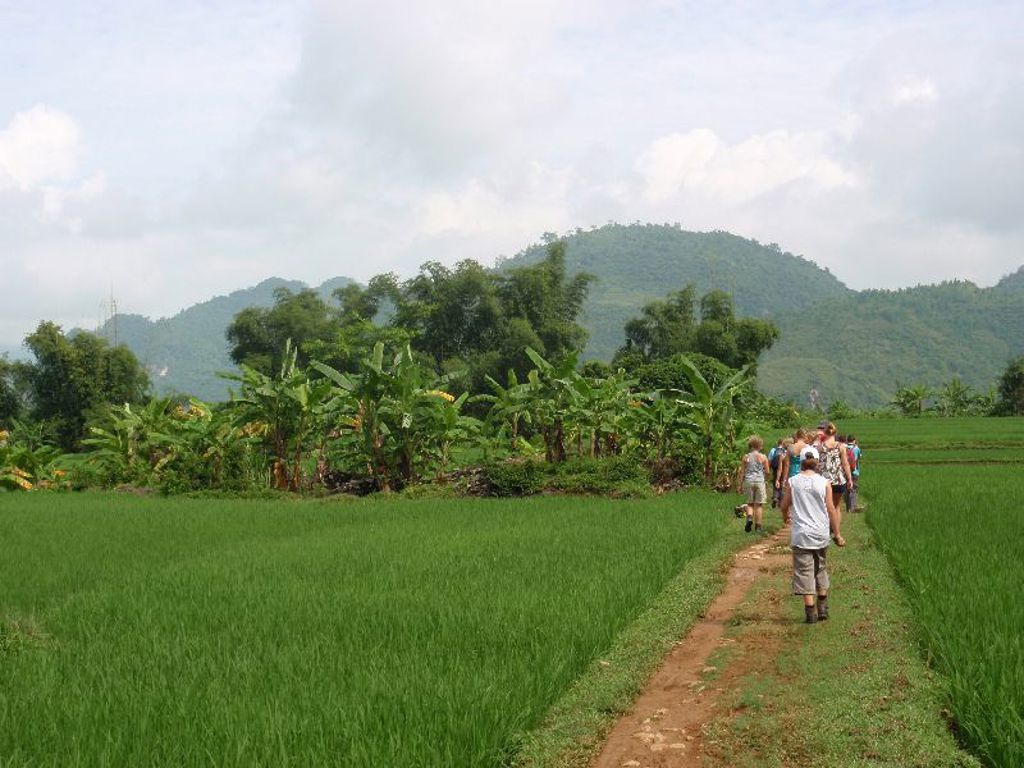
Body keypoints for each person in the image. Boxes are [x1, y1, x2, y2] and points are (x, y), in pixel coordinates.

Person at [781, 445, 845, 624]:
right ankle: (822, 606)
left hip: (802, 535)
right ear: (817, 463)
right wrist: (837, 534)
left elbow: (784, 505)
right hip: (820, 533)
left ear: (801, 462)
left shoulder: (793, 482)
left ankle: (810, 613)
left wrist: (785, 517)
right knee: (821, 568)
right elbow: (831, 509)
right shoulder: (824, 482)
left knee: (804, 571)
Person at [813, 421, 853, 526]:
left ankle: (826, 527)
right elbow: (845, 464)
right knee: (836, 506)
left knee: (826, 506)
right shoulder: (841, 446)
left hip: (824, 481)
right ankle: (836, 530)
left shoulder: (819, 448)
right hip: (838, 480)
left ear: (825, 433)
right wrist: (849, 479)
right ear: (834, 433)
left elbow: (817, 465)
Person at [735, 435, 771, 534]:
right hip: (759, 481)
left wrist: (739, 485)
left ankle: (750, 518)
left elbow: (742, 472)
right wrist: (765, 480)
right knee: (759, 505)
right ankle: (758, 527)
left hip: (749, 481)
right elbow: (767, 472)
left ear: (750, 445)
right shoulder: (763, 457)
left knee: (750, 503)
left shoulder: (746, 457)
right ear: (760, 446)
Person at [846, 435, 863, 512]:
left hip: (845, 470)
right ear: (854, 440)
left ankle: (848, 506)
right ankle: (852, 508)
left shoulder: (844, 447)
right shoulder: (856, 448)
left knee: (847, 489)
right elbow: (860, 457)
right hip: (854, 471)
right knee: (854, 489)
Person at [767, 438, 785, 508]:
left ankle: (775, 496)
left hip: (775, 468)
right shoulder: (785, 450)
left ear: (777, 443)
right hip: (783, 468)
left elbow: (770, 459)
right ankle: (780, 499)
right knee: (781, 481)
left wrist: (768, 468)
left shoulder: (773, 450)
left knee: (776, 481)